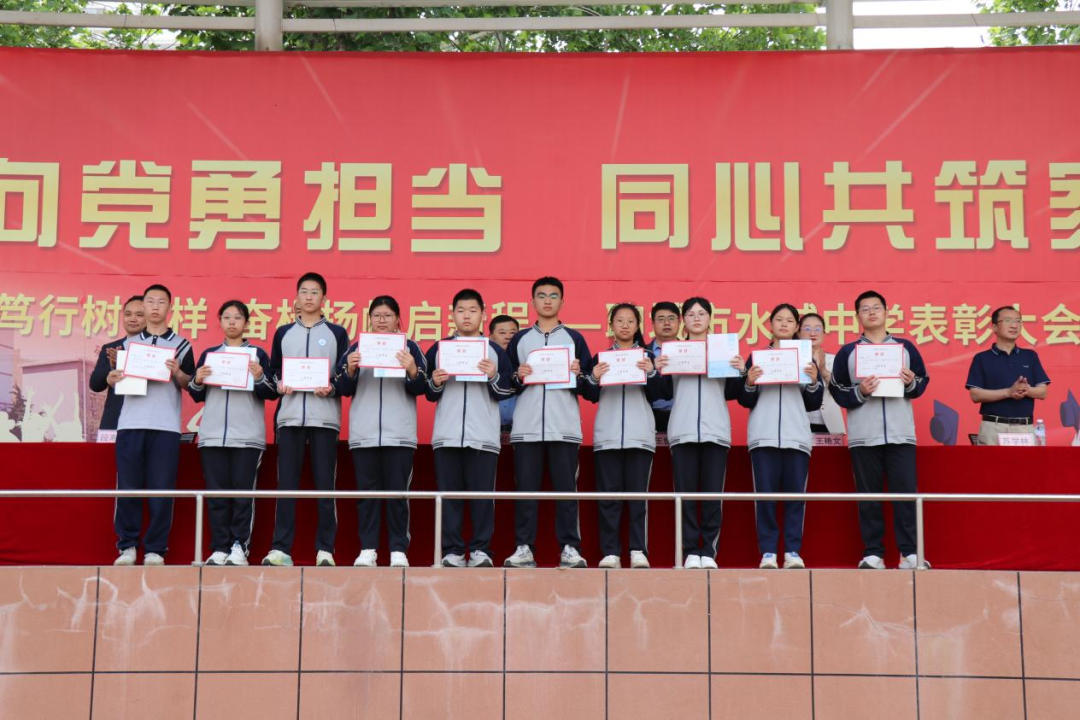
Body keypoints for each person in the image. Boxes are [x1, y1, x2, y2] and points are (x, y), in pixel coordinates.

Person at [830, 290, 930, 570]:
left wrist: (910, 382)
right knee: (869, 497)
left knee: (905, 496)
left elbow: (922, 382)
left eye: (876, 307)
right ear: (857, 316)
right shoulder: (848, 352)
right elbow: (837, 391)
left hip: (901, 434)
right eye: (865, 309)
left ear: (886, 312)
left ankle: (909, 553)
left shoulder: (905, 348)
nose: (872, 312)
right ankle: (873, 553)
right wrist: (860, 391)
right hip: (864, 436)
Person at [504, 277, 593, 569]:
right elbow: (506, 382)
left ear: (562, 302)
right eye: (541, 295)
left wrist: (579, 374)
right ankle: (524, 548)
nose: (547, 300)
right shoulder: (520, 339)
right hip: (527, 428)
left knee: (566, 491)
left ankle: (570, 548)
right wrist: (518, 375)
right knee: (526, 491)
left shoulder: (574, 338)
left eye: (553, 296)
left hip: (564, 428)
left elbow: (590, 386)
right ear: (532, 302)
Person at [263, 272, 350, 567]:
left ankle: (325, 549)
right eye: (304, 291)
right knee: (286, 485)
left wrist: (332, 387)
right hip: (289, 419)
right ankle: (280, 549)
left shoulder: (337, 333)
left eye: (315, 292)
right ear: (296, 297)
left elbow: (344, 375)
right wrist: (280, 384)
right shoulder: (283, 333)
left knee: (326, 486)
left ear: (324, 298)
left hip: (324, 419)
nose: (309, 297)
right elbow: (274, 371)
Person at [425, 289, 514, 568]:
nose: (466, 316)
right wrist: (435, 381)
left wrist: (493, 375)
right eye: (461, 310)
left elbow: (507, 389)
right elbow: (427, 392)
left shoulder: (494, 351)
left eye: (472, 311)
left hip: (483, 437)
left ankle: (480, 550)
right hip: (447, 435)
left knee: (482, 497)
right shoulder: (439, 349)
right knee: (449, 497)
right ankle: (452, 551)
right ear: (452, 314)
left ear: (483, 314)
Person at [106, 284, 194, 566]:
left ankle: (156, 549)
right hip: (131, 423)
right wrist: (112, 378)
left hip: (166, 426)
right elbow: (114, 381)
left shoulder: (182, 345)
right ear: (143, 306)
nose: (155, 307)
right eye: (150, 301)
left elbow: (191, 385)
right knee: (128, 487)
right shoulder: (127, 346)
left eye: (161, 302)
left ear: (170, 307)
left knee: (162, 489)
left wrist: (177, 372)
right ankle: (127, 547)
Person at [655, 296, 744, 569]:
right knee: (684, 496)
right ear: (684, 320)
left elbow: (733, 393)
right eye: (691, 314)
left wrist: (739, 371)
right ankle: (691, 551)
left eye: (701, 313)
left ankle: (709, 552)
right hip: (682, 431)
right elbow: (663, 393)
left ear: (709, 318)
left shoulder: (723, 351)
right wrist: (658, 372)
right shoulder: (674, 351)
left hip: (715, 431)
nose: (696, 318)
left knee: (712, 496)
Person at [339, 296, 428, 568]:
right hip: (364, 434)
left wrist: (412, 368)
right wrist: (350, 369)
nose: (381, 320)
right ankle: (368, 549)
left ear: (397, 319)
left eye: (388, 315)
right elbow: (343, 388)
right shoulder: (357, 347)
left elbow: (422, 387)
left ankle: (398, 549)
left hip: (399, 434)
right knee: (367, 496)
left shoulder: (410, 347)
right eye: (376, 315)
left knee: (398, 495)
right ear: (369, 319)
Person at [187, 301, 278, 566]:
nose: (232, 322)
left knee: (242, 495)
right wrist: (198, 379)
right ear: (220, 322)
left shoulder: (258, 354)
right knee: (217, 496)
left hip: (247, 437)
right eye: (226, 317)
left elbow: (271, 392)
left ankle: (240, 546)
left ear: (246, 323)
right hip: (212, 435)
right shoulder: (210, 355)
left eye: (237, 318)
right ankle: (219, 547)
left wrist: (259, 376)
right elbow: (196, 394)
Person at [582, 304, 667, 569]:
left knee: (638, 498)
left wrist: (651, 373)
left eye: (630, 321)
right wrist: (593, 377)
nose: (625, 325)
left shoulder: (647, 356)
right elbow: (589, 394)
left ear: (638, 325)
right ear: (611, 326)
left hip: (639, 436)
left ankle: (638, 550)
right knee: (608, 498)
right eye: (620, 321)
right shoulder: (601, 358)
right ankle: (611, 552)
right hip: (607, 436)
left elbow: (661, 393)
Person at [739, 304, 823, 570]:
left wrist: (813, 381)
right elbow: (744, 399)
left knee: (795, 498)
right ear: (770, 325)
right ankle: (767, 552)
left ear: (796, 326)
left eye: (789, 320)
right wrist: (749, 382)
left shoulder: (806, 358)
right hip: (763, 436)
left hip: (796, 437)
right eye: (779, 320)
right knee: (764, 498)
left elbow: (813, 403)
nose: (784, 324)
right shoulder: (757, 358)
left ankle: (792, 551)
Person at [965, 305, 1051, 445]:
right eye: (1008, 320)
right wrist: (1009, 392)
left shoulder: (1030, 356)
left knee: (1028, 461)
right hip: (993, 427)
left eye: (1018, 321)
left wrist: (1025, 390)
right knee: (990, 461)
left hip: (1024, 428)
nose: (1014, 325)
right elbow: (975, 395)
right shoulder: (982, 358)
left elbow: (1043, 392)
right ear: (994, 327)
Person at [89, 295, 145, 432]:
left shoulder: (155, 350)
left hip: (145, 422)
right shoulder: (110, 348)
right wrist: (112, 367)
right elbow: (95, 385)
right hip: (114, 420)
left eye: (139, 315)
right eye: (128, 314)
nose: (132, 319)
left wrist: (125, 361)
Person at [798, 313, 846, 436]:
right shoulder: (793, 360)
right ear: (798, 332)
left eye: (818, 329)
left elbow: (841, 390)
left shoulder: (835, 359)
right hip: (799, 422)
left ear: (824, 333)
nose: (813, 333)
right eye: (807, 329)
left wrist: (823, 370)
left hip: (830, 424)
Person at [646, 302, 680, 434]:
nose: (666, 323)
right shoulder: (642, 353)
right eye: (661, 319)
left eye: (671, 318)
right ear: (653, 324)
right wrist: (652, 370)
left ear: (679, 322)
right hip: (648, 416)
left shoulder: (692, 352)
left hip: (683, 415)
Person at [488, 314, 521, 435]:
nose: (508, 337)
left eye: (513, 333)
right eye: (502, 333)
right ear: (491, 337)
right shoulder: (483, 363)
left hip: (520, 431)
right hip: (488, 430)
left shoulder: (526, 362)